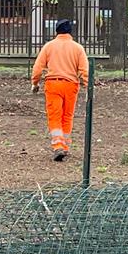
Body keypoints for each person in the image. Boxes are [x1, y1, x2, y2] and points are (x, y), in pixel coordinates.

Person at [31, 19, 89, 162]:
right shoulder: (78, 48)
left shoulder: (49, 46)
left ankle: (58, 146)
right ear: (70, 32)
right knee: (67, 116)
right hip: (71, 85)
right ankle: (65, 146)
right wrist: (87, 85)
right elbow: (84, 70)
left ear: (56, 31)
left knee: (54, 116)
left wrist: (35, 83)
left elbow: (38, 67)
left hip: (53, 84)